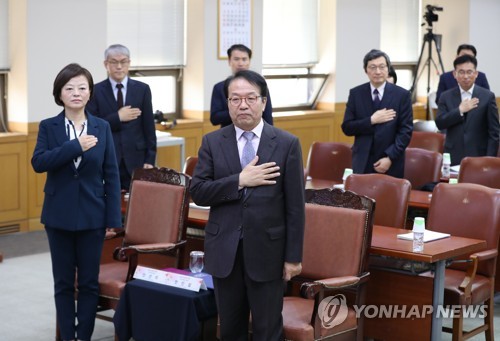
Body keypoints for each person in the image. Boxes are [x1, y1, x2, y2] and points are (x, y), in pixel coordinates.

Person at [190, 70, 305, 340]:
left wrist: (293, 257)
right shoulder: (213, 142)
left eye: (250, 98)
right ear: (227, 104)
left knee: (267, 330)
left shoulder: (287, 143)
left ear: (263, 102)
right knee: (230, 330)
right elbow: (198, 192)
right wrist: (239, 180)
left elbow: (296, 207)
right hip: (224, 252)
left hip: (269, 252)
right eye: (235, 99)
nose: (243, 105)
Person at [31, 63, 122, 341]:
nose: (76, 93)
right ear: (59, 94)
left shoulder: (102, 127)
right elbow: (39, 162)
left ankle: (84, 337)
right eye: (69, 88)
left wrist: (113, 220)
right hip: (57, 216)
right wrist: (75, 146)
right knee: (62, 284)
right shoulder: (49, 126)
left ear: (90, 92)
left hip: (93, 216)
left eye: (82, 87)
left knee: (88, 283)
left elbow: (112, 175)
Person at [86, 44, 156, 191]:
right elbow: (92, 126)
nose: (119, 66)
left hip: (137, 157)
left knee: (137, 204)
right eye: (113, 62)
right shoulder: (95, 91)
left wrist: (150, 159)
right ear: (106, 64)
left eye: (123, 62)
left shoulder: (142, 89)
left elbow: (149, 126)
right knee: (111, 203)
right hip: (108, 157)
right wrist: (117, 117)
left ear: (129, 63)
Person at [341, 49, 413, 178]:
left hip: (391, 161)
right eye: (372, 67)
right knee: (360, 197)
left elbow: (405, 131)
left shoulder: (402, 95)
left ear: (388, 68)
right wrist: (371, 120)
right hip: (362, 161)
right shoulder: (356, 94)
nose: (378, 71)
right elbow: (347, 127)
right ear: (366, 70)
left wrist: (390, 157)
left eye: (382, 67)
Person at [435, 54, 499, 166]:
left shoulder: (487, 96)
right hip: (453, 156)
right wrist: (459, 110)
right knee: (453, 183)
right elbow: (440, 123)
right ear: (455, 74)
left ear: (476, 74)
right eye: (461, 72)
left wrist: (489, 160)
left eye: (469, 72)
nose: (465, 76)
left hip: (479, 156)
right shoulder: (445, 96)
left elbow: (494, 132)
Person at [210, 44, 274, 127]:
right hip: (228, 136)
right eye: (236, 59)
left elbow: (267, 115)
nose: (240, 63)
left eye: (244, 59)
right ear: (229, 61)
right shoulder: (219, 87)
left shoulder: (260, 85)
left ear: (249, 61)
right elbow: (214, 119)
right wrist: (237, 111)